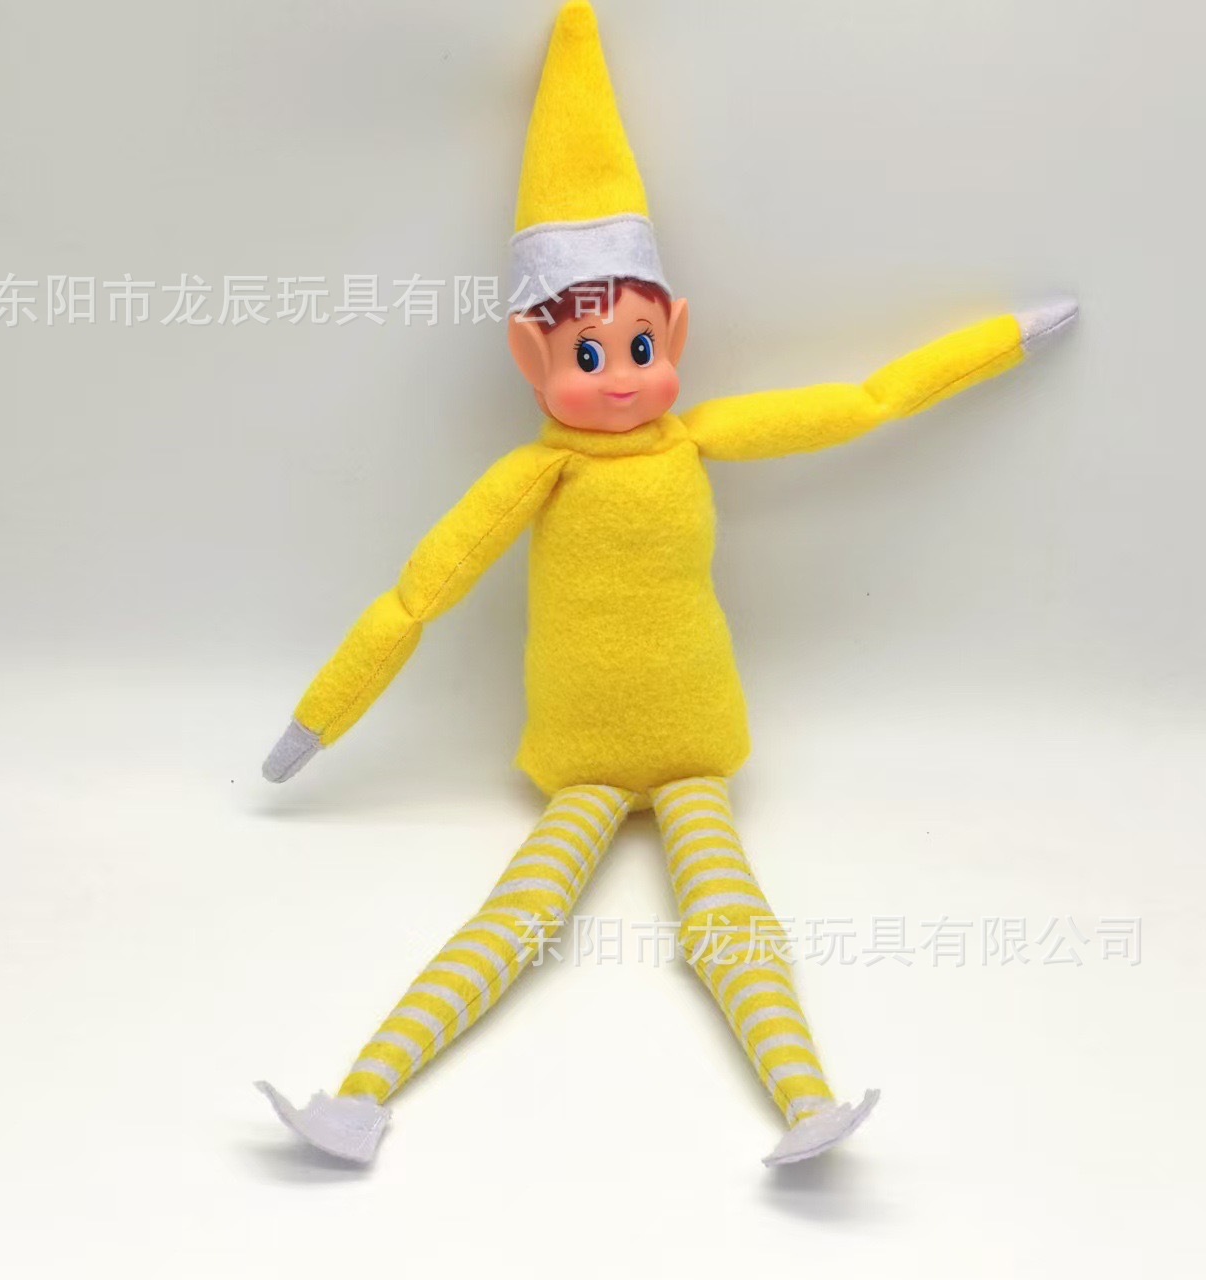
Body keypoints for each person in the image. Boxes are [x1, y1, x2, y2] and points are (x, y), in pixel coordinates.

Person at [256, 1, 1077, 1167]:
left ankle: (807, 1103)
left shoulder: (696, 439)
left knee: (729, 915)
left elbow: (865, 402)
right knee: (515, 914)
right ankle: (356, 1093)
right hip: (580, 765)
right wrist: (313, 726)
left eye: (639, 348)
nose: (619, 376)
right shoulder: (532, 477)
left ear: (675, 334)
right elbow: (416, 599)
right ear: (530, 359)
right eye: (587, 355)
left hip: (695, 755)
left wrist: (1002, 338)